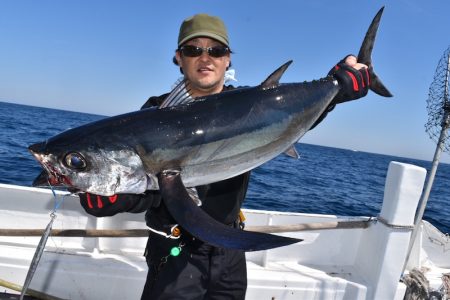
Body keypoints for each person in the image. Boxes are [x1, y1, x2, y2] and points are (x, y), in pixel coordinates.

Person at [78, 13, 370, 300]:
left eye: (216, 50)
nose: (206, 58)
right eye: (193, 50)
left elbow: (283, 123)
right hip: (175, 252)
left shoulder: (251, 101)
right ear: (178, 58)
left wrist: (337, 88)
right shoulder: (155, 115)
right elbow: (149, 184)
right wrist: (113, 194)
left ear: (228, 59)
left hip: (230, 252)